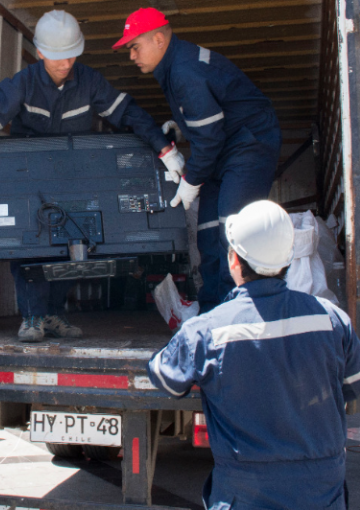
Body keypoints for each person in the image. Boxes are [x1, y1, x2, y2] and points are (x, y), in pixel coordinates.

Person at [0, 9, 185, 342]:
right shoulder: (22, 84)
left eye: (72, 55)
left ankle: (53, 314)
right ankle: (32, 317)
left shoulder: (89, 82)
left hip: (74, 176)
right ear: (41, 53)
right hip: (30, 178)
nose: (66, 64)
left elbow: (129, 114)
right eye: (59, 57)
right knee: (29, 245)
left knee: (72, 241)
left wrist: (164, 148)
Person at [147, 201, 360, 509]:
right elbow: (356, 382)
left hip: (244, 492)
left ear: (234, 260)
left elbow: (165, 378)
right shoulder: (331, 320)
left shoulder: (206, 331)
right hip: (320, 491)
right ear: (288, 259)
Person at [113, 8, 282, 313]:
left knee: (233, 233)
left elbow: (210, 138)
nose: (132, 55)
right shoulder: (175, 64)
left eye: (135, 46)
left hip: (248, 146)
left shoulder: (183, 71)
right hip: (224, 149)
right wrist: (184, 124)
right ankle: (212, 310)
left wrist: (190, 183)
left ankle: (236, 314)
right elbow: (210, 121)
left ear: (159, 39)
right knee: (207, 234)